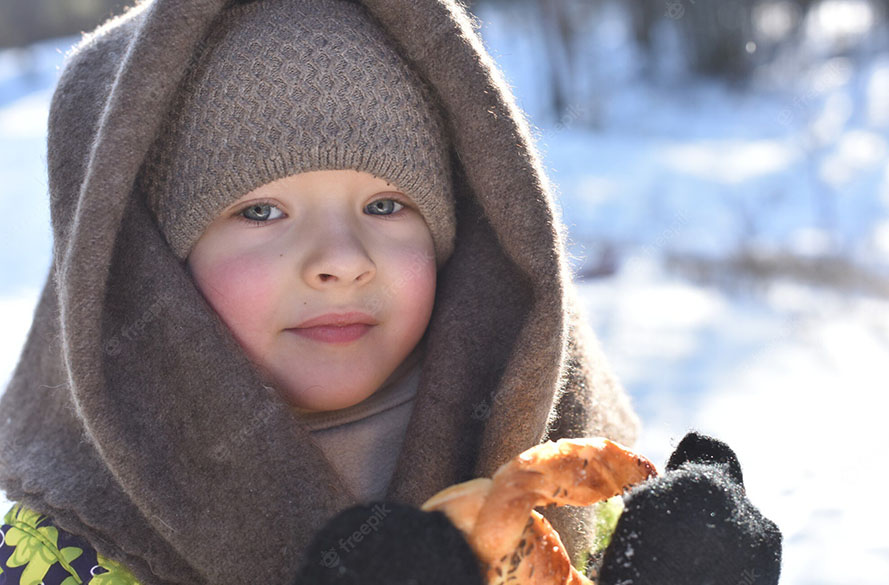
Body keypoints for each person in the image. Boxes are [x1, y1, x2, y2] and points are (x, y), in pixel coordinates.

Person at [0, 1, 780, 584]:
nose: (340, 260)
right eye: (260, 210)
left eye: (385, 205)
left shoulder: (571, 496)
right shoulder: (70, 548)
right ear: (159, 274)